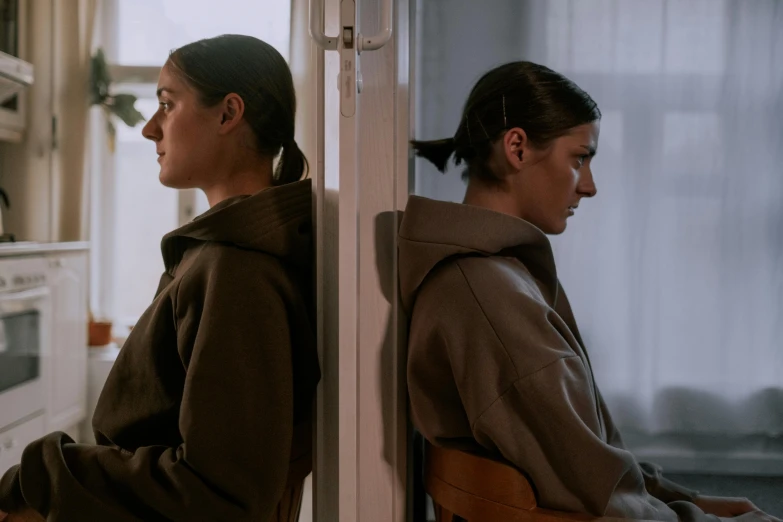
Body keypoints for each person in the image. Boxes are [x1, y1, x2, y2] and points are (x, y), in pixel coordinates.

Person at [400, 61, 780, 522]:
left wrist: (691, 501)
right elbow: (602, 498)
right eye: (579, 158)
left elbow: (590, 460)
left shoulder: (496, 277)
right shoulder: (487, 295)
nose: (590, 186)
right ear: (517, 148)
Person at [0, 35, 320, 522]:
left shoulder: (238, 272)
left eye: (167, 105)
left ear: (228, 114)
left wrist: (42, 478)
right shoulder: (229, 254)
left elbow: (219, 493)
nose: (150, 128)